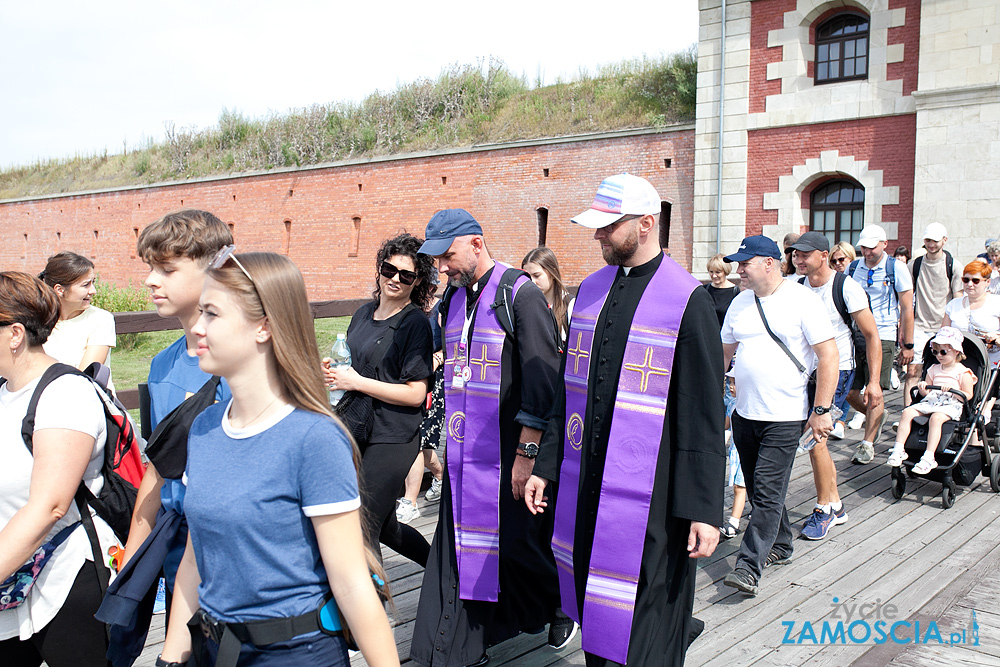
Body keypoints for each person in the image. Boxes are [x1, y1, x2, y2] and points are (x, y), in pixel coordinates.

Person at [157, 251, 399, 667]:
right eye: (199, 312)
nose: (196, 327)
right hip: (215, 649)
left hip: (294, 653)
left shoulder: (314, 439)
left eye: (212, 314)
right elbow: (196, 560)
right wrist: (168, 659)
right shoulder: (204, 428)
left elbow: (351, 583)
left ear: (264, 327)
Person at [525, 173, 724, 667]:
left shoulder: (687, 300)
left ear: (646, 223)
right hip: (586, 485)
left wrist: (704, 507)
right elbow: (565, 397)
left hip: (654, 494)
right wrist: (546, 465)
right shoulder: (588, 293)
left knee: (649, 619)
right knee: (595, 606)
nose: (597, 235)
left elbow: (703, 412)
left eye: (607, 227)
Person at [411, 208, 564, 666]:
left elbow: (543, 385)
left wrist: (526, 455)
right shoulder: (455, 300)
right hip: (465, 456)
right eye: (436, 259)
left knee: (519, 548)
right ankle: (451, 648)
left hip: (507, 454)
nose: (441, 267)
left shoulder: (519, 295)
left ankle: (558, 605)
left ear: (476, 242)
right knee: (461, 549)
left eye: (448, 255)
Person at [106, 210, 233, 660]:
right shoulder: (162, 365)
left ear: (214, 267)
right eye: (149, 268)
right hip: (177, 543)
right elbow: (159, 470)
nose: (149, 282)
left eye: (166, 269)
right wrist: (132, 558)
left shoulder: (244, 361)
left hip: (231, 548)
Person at [0, 272, 114, 667]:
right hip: (9, 578)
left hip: (62, 577)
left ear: (15, 334)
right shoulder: (3, 392)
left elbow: (50, 504)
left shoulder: (64, 392)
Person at [720, 235, 838, 597]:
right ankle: (782, 543)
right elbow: (722, 354)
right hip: (745, 413)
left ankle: (748, 566)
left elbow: (828, 357)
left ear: (769, 263)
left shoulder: (803, 301)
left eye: (745, 263)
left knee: (768, 491)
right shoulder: (739, 303)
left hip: (785, 416)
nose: (738, 270)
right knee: (757, 487)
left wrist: (820, 410)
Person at [323, 233, 435, 566]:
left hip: (393, 437)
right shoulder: (363, 314)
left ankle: (370, 614)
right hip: (358, 429)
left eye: (407, 275)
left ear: (417, 283)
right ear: (380, 268)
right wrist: (334, 371)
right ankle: (442, 577)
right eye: (390, 269)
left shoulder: (415, 324)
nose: (396, 279)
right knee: (385, 527)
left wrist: (358, 380)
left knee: (361, 526)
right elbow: (353, 366)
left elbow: (416, 393)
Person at [789, 232, 881, 539]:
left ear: (824, 255)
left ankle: (825, 510)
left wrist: (875, 382)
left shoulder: (846, 287)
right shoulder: (796, 286)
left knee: (816, 438)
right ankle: (835, 504)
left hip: (839, 369)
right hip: (807, 371)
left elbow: (871, 335)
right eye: (795, 255)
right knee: (815, 441)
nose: (797, 260)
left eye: (804, 255)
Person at [845, 225, 914, 464]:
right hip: (855, 333)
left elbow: (907, 308)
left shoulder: (897, 268)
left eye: (872, 247)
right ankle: (876, 417)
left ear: (884, 244)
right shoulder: (853, 267)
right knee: (850, 392)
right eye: (864, 246)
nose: (867, 251)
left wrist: (907, 343)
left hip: (883, 333)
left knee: (875, 390)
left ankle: (867, 443)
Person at [888, 326, 975, 474]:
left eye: (943, 352)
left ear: (956, 351)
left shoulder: (963, 372)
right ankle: (899, 448)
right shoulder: (933, 368)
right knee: (907, 412)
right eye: (935, 352)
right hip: (932, 401)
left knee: (936, 418)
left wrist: (955, 391)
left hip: (951, 403)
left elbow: (968, 394)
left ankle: (929, 456)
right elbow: (927, 391)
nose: (939, 355)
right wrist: (923, 388)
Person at [903, 224, 963, 407]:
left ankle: (937, 407)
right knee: (913, 371)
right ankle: (908, 411)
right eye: (928, 240)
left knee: (943, 370)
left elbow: (957, 298)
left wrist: (953, 330)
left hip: (943, 327)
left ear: (944, 240)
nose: (931, 245)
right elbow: (906, 297)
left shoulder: (953, 265)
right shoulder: (915, 264)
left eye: (935, 241)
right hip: (920, 325)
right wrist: (904, 329)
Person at [397, 300, 445, 525]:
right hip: (409, 377)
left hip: (434, 379)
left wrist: (437, 358)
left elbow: (453, 342)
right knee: (418, 439)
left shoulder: (441, 306)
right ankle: (439, 475)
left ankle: (410, 502)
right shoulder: (404, 308)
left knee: (420, 440)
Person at [38, 251, 116, 373]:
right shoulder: (37, 319)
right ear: (59, 289)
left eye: (93, 282)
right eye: (86, 285)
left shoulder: (101, 319)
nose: (93, 291)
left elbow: (86, 374)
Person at [942, 260, 1000, 367]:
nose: (970, 284)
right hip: (959, 366)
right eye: (965, 280)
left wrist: (996, 337)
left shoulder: (996, 303)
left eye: (975, 281)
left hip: (991, 365)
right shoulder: (953, 305)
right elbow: (943, 335)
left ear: (987, 282)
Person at [521, 246, 575, 346]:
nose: (532, 282)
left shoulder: (570, 305)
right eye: (528, 277)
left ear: (552, 272)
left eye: (537, 275)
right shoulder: (524, 306)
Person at [703, 253, 740, 328]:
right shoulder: (704, 290)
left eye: (718, 272)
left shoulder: (735, 292)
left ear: (725, 271)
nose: (714, 275)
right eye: (711, 272)